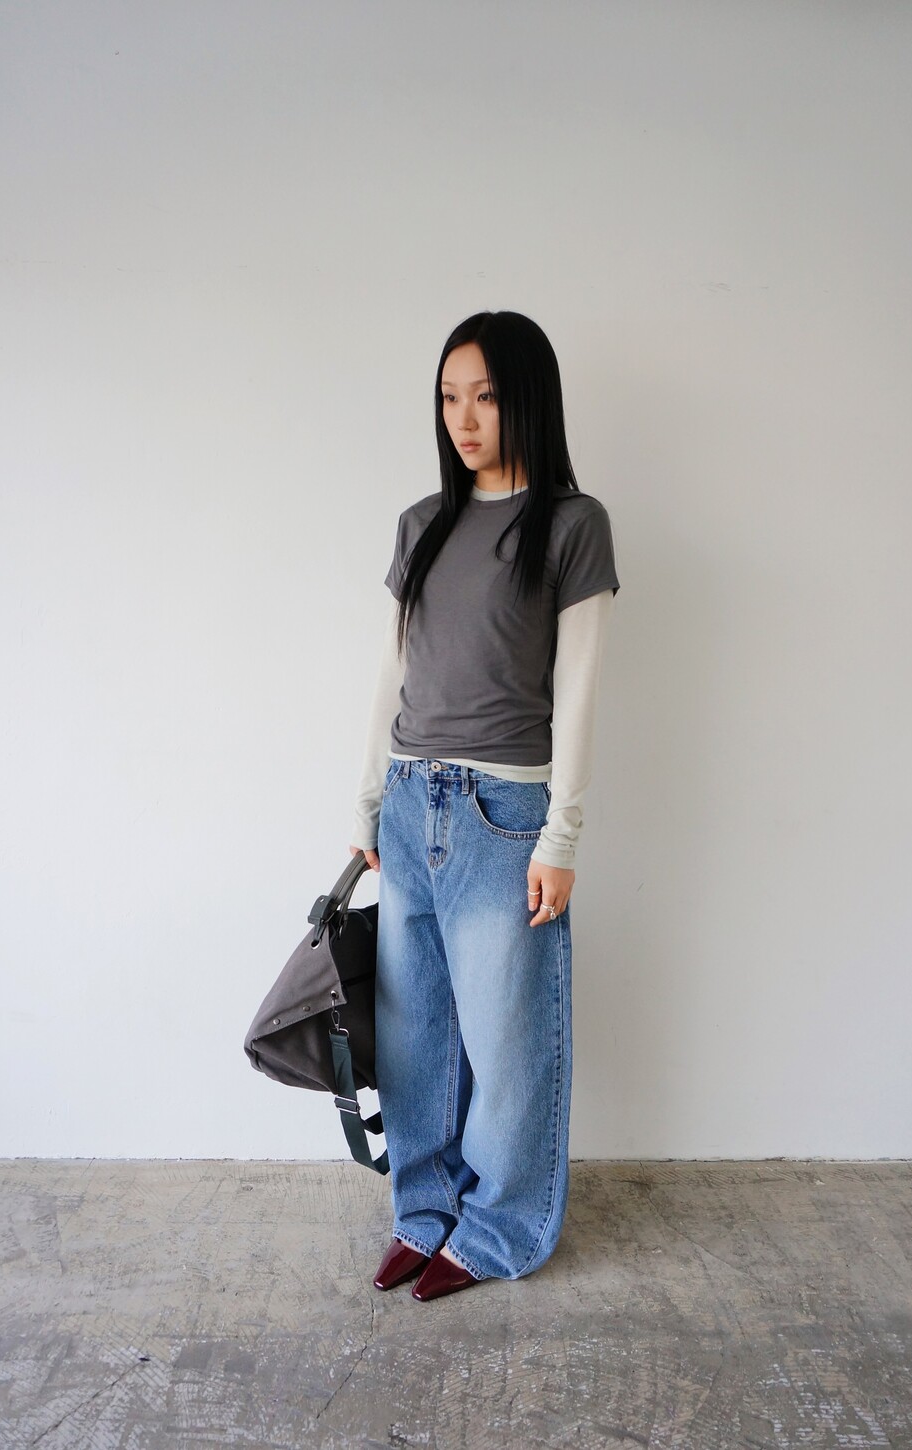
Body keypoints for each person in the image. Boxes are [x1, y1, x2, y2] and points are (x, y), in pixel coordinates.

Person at [348, 310, 620, 1301]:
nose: (464, 419)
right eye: (449, 397)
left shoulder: (572, 525)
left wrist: (562, 837)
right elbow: (392, 673)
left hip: (505, 816)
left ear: (527, 400)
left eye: (487, 397)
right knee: (414, 1038)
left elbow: (579, 691)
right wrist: (367, 800)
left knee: (507, 1044)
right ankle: (423, 1212)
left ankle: (500, 1230)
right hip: (409, 803)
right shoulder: (421, 524)